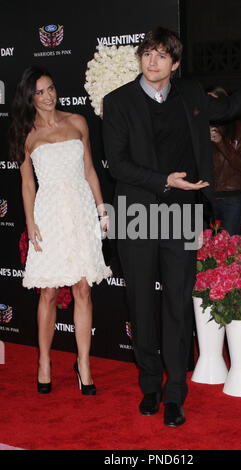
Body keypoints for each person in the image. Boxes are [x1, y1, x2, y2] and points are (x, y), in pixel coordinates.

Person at [102, 27, 241, 426]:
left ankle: (174, 394)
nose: (152, 61)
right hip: (137, 212)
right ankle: (150, 385)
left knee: (176, 306)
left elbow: (232, 106)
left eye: (161, 55)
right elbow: (116, 164)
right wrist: (163, 180)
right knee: (141, 303)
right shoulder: (117, 102)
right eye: (147, 53)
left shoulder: (189, 95)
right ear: (141, 58)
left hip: (181, 211)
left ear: (175, 63)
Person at [9, 66, 112, 395]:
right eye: (40, 92)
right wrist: (30, 221)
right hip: (49, 212)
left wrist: (101, 209)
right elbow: (27, 184)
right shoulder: (26, 134)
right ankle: (44, 361)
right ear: (30, 97)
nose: (48, 96)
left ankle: (83, 364)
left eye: (51, 88)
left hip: (81, 209)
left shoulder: (78, 122)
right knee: (49, 292)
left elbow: (91, 170)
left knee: (83, 289)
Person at [209, 86, 241, 235]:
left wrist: (220, 142)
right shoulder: (202, 127)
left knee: (231, 250)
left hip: (232, 197)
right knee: (208, 251)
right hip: (208, 198)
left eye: (213, 102)